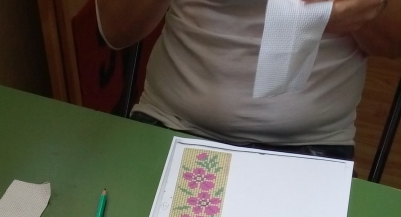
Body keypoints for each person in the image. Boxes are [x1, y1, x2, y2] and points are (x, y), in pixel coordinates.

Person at [97, 0, 401, 158]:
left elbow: (392, 41)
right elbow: (116, 29)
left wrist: (367, 11)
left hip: (312, 145)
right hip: (171, 124)